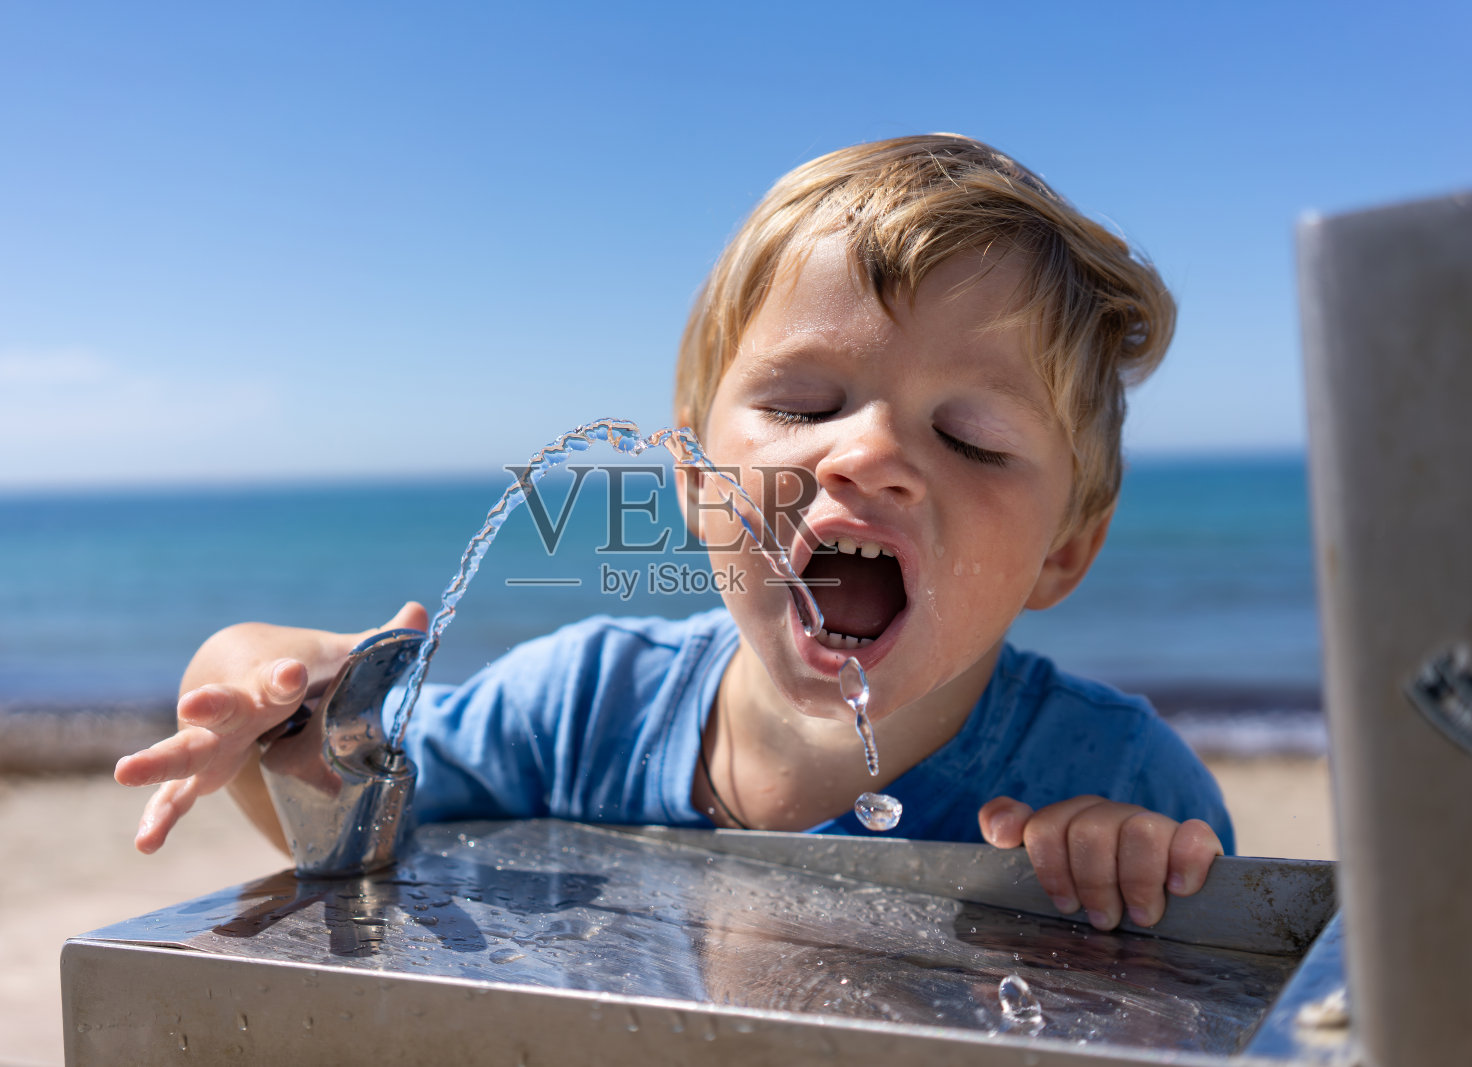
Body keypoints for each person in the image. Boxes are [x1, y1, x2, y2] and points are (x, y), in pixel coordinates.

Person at [116, 134, 1231, 934]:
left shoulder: (1116, 774)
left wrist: (1138, 871)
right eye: (803, 407)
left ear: (1062, 553)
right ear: (696, 481)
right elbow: (338, 824)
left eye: (972, 436)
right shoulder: (578, 708)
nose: (868, 454)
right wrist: (268, 694)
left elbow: (1240, 985)